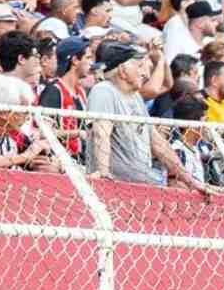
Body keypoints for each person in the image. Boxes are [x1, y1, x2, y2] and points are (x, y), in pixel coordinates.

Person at [86, 42, 207, 192]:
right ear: (122, 70)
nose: (146, 74)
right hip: (116, 186)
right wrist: (103, 176)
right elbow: (101, 134)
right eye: (139, 66)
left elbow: (158, 143)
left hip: (142, 183)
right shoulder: (104, 91)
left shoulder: (135, 96)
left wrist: (190, 181)